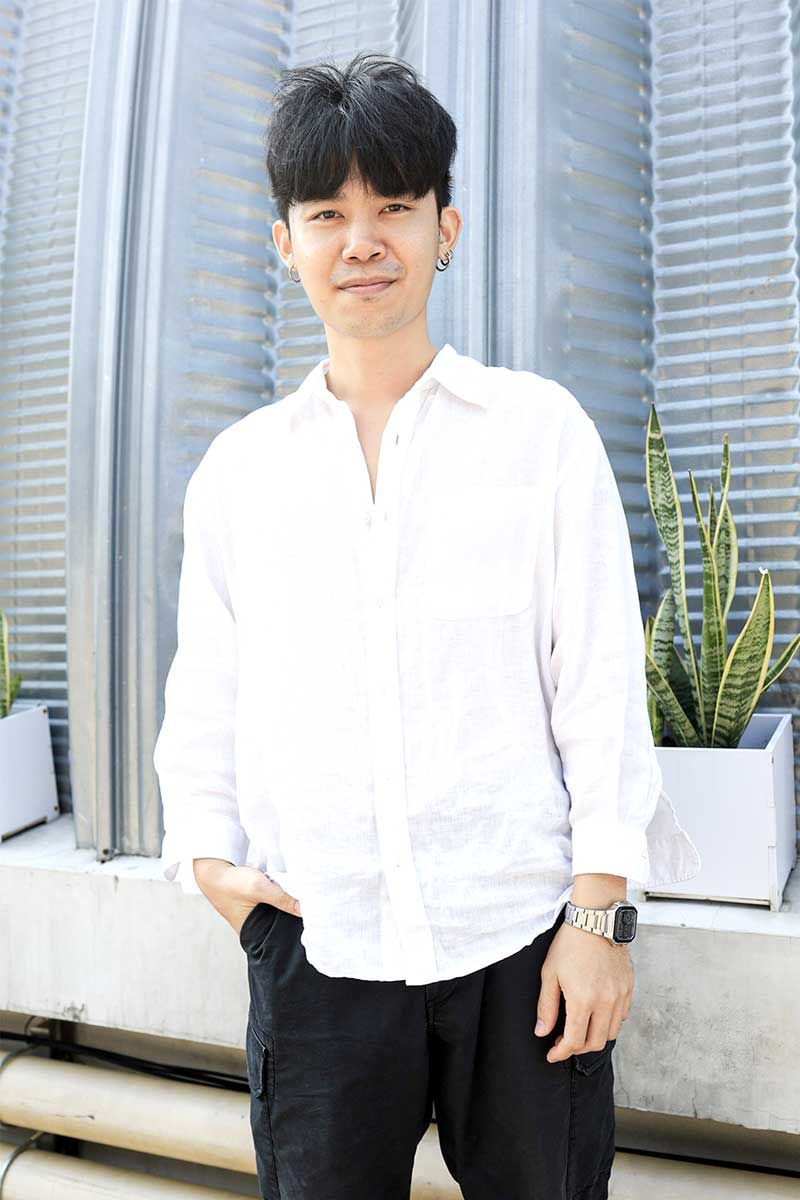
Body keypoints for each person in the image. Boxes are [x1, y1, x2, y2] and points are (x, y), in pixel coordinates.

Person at [152, 50, 701, 1200]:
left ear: (443, 228)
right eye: (327, 213)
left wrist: (600, 919)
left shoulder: (538, 436)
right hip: (319, 944)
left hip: (521, 941)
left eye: (393, 207)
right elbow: (207, 694)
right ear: (284, 243)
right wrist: (211, 867)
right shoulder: (240, 475)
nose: (362, 240)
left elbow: (597, 682)